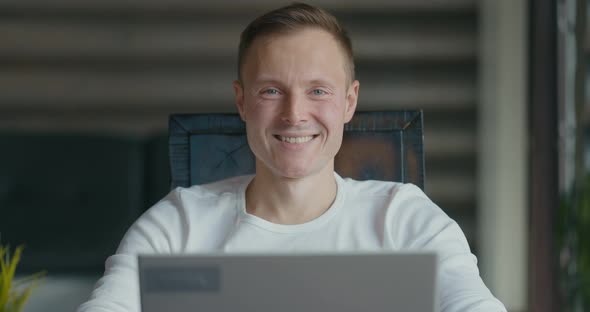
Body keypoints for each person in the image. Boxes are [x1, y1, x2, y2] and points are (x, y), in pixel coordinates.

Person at [78, 3, 506, 312]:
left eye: (318, 90)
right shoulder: (178, 226)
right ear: (242, 102)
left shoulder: (405, 218)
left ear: (349, 102)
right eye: (271, 91)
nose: (295, 114)